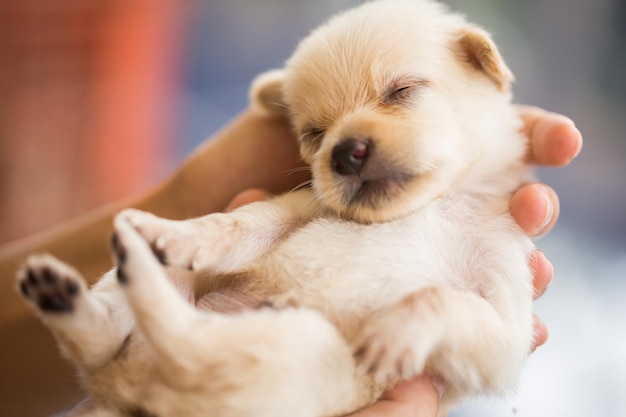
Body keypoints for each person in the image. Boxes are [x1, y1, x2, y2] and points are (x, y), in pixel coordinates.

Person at [0, 105, 582, 417]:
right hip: (189, 350)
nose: (351, 145)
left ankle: (157, 320)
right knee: (160, 266)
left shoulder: (500, 224)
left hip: (264, 374)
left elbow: (500, 358)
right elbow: (261, 223)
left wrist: (440, 315)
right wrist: (192, 215)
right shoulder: (334, 188)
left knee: (299, 342)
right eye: (317, 128)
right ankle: (108, 328)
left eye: (399, 95)